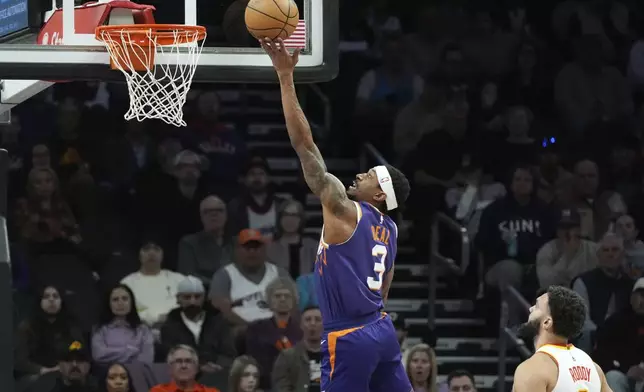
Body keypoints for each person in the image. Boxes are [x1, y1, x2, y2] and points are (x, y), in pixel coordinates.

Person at [261, 38, 412, 392]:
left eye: (369, 175)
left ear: (378, 194)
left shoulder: (342, 207)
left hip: (348, 335)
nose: (359, 175)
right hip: (381, 329)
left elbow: (305, 146)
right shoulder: (390, 229)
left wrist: (285, 76)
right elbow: (384, 291)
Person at [512, 285, 613, 392]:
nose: (530, 308)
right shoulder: (594, 369)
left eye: (537, 306)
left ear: (547, 322)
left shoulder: (532, 368)